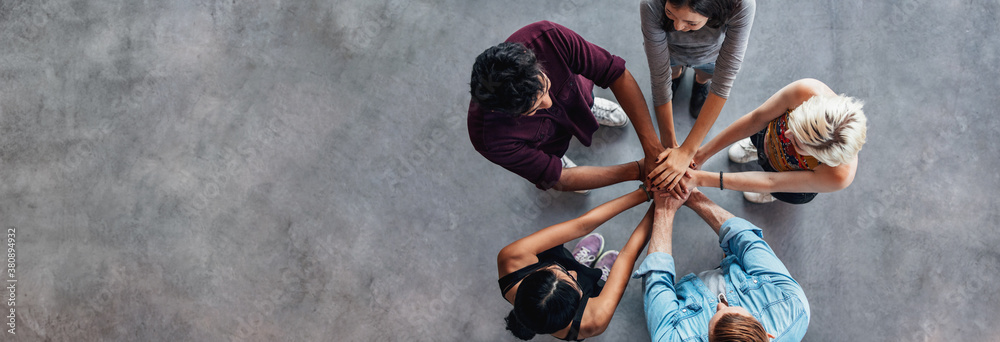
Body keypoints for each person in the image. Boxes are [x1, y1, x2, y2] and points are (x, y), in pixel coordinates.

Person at [469, 21, 665, 193]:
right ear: (502, 112)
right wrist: (637, 170)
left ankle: (589, 106)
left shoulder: (547, 37)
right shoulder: (489, 138)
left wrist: (652, 148)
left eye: (545, 87)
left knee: (582, 97)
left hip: (577, 95)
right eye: (534, 108)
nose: (549, 102)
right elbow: (557, 178)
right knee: (553, 164)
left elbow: (614, 73)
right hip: (548, 146)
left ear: (529, 57)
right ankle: (556, 158)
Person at [633, 188, 810, 341]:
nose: (720, 304)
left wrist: (663, 209)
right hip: (735, 270)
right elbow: (748, 243)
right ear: (768, 334)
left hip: (687, 294)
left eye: (715, 316)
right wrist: (692, 195)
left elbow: (657, 279)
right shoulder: (793, 309)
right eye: (734, 309)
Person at [662, 78, 867, 204]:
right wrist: (700, 154)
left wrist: (699, 178)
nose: (786, 135)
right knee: (761, 135)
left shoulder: (838, 176)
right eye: (791, 124)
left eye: (797, 143)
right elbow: (757, 119)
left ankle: (772, 195)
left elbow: (772, 181)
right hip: (765, 137)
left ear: (821, 157)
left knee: (780, 190)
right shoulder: (806, 91)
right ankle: (756, 149)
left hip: (783, 176)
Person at [498, 187, 655, 340]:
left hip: (554, 262)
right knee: (608, 278)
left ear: (532, 275)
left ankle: (578, 262)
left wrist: (646, 192)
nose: (573, 273)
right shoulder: (593, 320)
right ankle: (598, 278)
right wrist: (660, 207)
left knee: (572, 266)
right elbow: (627, 256)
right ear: (575, 308)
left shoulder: (512, 260)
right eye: (574, 282)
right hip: (590, 295)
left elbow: (582, 225)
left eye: (558, 272)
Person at [639, 0, 756, 193]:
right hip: (670, 54)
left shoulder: (741, 5)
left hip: (710, 57)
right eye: (670, 13)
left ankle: (700, 84)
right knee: (671, 74)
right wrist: (670, 147)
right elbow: (659, 77)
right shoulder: (651, 4)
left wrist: (687, 151)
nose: (677, 26)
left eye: (691, 23)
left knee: (705, 76)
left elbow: (723, 79)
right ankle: (677, 77)